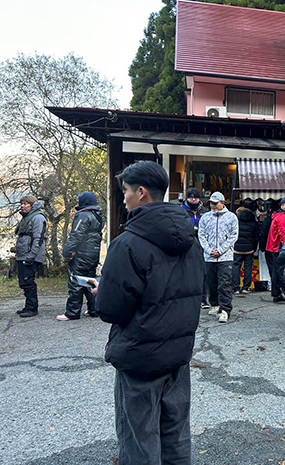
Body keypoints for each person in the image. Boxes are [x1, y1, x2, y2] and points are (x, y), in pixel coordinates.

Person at [93, 161, 203, 465]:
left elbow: (110, 309)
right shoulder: (191, 240)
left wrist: (101, 290)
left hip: (140, 357)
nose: (123, 198)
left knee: (139, 441)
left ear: (141, 193)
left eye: (126, 191)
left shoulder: (127, 244)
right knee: (176, 435)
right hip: (178, 354)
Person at [57, 192, 104, 321]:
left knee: (75, 281)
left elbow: (76, 235)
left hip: (81, 253)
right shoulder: (99, 216)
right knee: (90, 280)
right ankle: (94, 309)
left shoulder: (83, 215)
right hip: (93, 253)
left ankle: (72, 312)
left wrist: (67, 253)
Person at [198, 192, 238, 323]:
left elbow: (233, 236)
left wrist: (220, 250)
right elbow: (201, 234)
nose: (213, 206)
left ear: (222, 203)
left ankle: (225, 309)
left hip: (225, 256)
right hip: (209, 256)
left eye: (215, 203)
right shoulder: (205, 217)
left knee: (224, 283)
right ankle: (215, 304)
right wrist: (209, 250)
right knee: (211, 282)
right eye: (211, 203)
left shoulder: (231, 217)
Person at [14, 196, 47, 318]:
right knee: (24, 282)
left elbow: (38, 238)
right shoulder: (27, 217)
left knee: (28, 281)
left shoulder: (38, 217)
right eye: (22, 203)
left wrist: (31, 256)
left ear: (32, 205)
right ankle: (28, 306)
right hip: (23, 255)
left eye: (26, 204)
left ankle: (32, 308)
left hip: (30, 256)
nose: (23, 206)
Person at [182, 187, 210, 309]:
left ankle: (203, 299)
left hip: (202, 244)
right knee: (187, 272)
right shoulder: (181, 210)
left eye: (196, 197)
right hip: (186, 243)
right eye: (191, 197)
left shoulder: (205, 211)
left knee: (203, 272)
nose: (194, 200)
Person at [266, 197, 285, 304]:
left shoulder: (276, 216)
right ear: (283, 205)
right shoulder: (283, 218)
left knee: (275, 271)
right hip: (278, 248)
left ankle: (276, 294)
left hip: (272, 247)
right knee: (282, 272)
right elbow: (284, 235)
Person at [233, 201, 259, 294]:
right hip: (249, 249)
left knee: (236, 266)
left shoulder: (236, 220)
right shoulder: (253, 222)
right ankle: (245, 287)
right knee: (248, 267)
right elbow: (256, 237)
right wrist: (254, 248)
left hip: (237, 248)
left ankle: (236, 287)